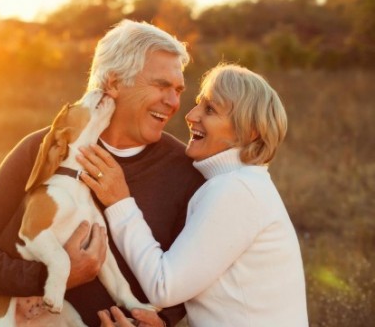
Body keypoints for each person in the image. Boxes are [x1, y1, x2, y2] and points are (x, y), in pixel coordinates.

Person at [0, 19, 205, 327]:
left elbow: (190, 280)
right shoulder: (43, 149)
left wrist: (160, 323)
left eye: (178, 89)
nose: (174, 102)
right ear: (112, 82)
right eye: (161, 86)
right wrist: (52, 277)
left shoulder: (185, 171)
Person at [78, 63, 309, 326]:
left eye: (210, 109)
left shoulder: (236, 190)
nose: (190, 115)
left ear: (250, 130)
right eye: (199, 103)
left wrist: (119, 201)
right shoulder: (241, 184)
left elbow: (164, 286)